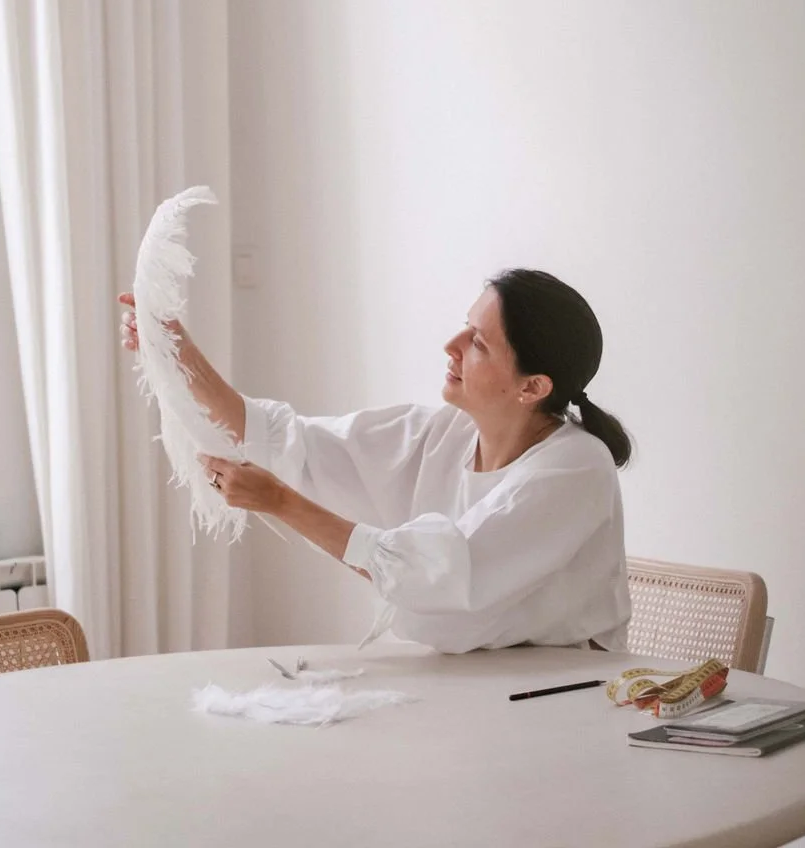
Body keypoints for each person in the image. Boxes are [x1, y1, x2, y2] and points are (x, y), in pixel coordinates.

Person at [119, 268, 632, 654]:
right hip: (469, 688)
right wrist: (176, 353)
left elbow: (440, 577)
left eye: (477, 342)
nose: (451, 346)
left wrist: (280, 502)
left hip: (564, 700)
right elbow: (282, 438)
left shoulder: (576, 469)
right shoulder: (443, 434)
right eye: (464, 327)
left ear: (532, 387)